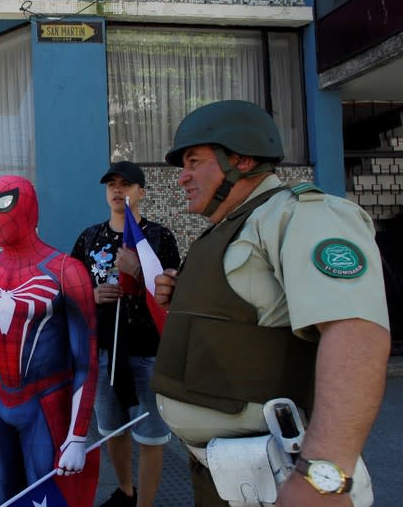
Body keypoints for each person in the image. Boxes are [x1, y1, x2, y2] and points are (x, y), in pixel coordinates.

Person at [152, 100, 390, 506]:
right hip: (224, 473)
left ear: (241, 160)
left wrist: (323, 476)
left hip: (279, 479)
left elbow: (356, 334)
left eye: (194, 161)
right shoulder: (230, 226)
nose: (182, 178)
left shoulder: (302, 214)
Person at [0, 175, 99, 506]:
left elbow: (86, 359)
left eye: (1, 203)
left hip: (45, 403)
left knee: (49, 498)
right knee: (5, 495)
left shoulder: (66, 270)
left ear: (29, 207)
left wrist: (78, 434)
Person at [71, 161, 180, 507]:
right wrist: (90, 294)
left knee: (151, 436)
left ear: (141, 193)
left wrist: (139, 277)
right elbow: (69, 288)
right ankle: (126, 492)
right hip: (105, 352)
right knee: (111, 431)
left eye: (127, 184)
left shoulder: (160, 236)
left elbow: (173, 293)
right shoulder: (89, 237)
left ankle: (145, 504)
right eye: (112, 185)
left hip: (149, 352)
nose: (118, 190)